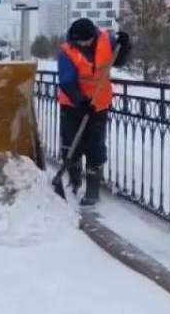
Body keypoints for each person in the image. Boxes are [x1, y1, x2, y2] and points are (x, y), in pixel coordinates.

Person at [54, 18, 131, 206]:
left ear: (92, 37)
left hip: (99, 105)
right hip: (73, 105)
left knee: (95, 146)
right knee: (71, 144)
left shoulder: (106, 41)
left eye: (84, 42)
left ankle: (92, 190)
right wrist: (80, 101)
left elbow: (119, 60)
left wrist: (125, 44)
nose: (81, 45)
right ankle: (73, 181)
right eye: (78, 42)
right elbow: (67, 81)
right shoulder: (67, 51)